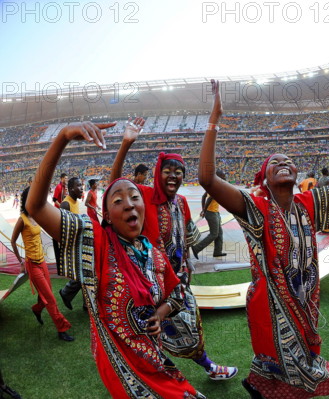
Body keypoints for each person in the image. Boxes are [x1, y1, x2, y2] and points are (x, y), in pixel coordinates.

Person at [199, 80, 329, 399]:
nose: (284, 163)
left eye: (288, 161)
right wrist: (214, 118)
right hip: (271, 303)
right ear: (263, 178)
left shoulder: (309, 202)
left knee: (297, 357)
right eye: (275, 162)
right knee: (290, 365)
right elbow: (207, 178)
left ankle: (258, 386)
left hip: (306, 299)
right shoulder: (256, 207)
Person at [26, 121, 206, 399]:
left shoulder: (154, 255)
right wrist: (62, 138)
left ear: (144, 207)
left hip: (155, 359)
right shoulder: (96, 241)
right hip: (123, 368)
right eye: (118, 200)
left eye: (135, 197)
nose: (129, 203)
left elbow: (177, 292)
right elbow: (36, 206)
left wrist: (160, 314)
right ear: (107, 215)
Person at [111, 118, 237, 381]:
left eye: (178, 171)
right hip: (146, 284)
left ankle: (196, 370)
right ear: (159, 173)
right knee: (151, 335)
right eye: (168, 169)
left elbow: (185, 239)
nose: (173, 175)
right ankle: (195, 373)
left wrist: (187, 268)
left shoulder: (180, 202)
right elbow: (114, 185)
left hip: (176, 284)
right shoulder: (144, 195)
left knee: (189, 329)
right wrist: (126, 143)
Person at [11, 187, 74, 341]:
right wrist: (21, 261)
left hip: (42, 262)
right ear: (28, 200)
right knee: (51, 299)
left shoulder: (37, 216)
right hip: (32, 264)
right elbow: (13, 240)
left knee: (46, 296)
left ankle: (37, 309)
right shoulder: (22, 219)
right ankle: (62, 329)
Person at [57, 177, 86, 312]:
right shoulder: (65, 205)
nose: (81, 188)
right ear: (70, 189)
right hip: (73, 247)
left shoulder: (76, 202)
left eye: (81, 185)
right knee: (84, 273)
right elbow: (63, 230)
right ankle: (66, 293)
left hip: (79, 244)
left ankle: (70, 295)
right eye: (78, 186)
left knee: (86, 273)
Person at [195, 169, 227, 257]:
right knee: (214, 234)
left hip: (215, 212)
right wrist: (204, 211)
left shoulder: (214, 185)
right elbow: (208, 199)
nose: (225, 178)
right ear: (218, 177)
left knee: (219, 233)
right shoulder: (216, 186)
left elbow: (203, 196)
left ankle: (217, 252)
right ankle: (196, 248)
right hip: (211, 213)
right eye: (223, 176)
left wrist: (203, 209)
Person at [317, 168, 329, 234]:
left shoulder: (320, 179)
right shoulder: (328, 179)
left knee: (322, 213)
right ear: (326, 172)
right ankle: (326, 229)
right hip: (327, 197)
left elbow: (318, 187)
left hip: (321, 196)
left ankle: (321, 228)